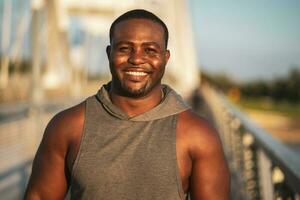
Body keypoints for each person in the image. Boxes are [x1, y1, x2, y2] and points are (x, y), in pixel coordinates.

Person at [24, 9, 230, 200]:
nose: (137, 59)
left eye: (150, 50)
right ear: (109, 53)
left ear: (165, 58)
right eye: (124, 48)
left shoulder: (198, 134)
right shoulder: (68, 126)